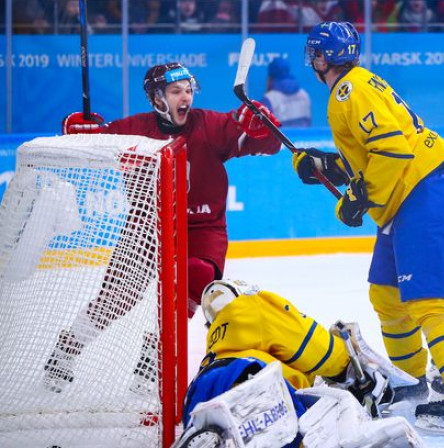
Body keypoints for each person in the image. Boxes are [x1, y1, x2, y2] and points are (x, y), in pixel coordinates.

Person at [292, 21, 444, 434]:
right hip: (406, 197)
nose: (314, 62)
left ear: (324, 58)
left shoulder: (350, 90)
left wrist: (361, 197)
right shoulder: (357, 85)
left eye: (316, 54)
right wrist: (324, 165)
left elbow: (392, 151)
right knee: (386, 293)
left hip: (423, 195)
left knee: (428, 301)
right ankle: (413, 380)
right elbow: (374, 154)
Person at [46, 62, 282, 393]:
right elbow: (88, 144)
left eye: (188, 90)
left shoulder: (209, 124)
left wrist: (261, 125)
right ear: (156, 97)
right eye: (175, 91)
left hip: (202, 227)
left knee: (197, 277)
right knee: (117, 297)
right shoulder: (133, 129)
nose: (185, 97)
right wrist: (77, 132)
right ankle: (66, 349)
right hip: (147, 227)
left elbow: (269, 145)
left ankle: (151, 357)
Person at [176, 279, 423, 448]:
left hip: (198, 396)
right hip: (251, 379)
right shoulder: (249, 306)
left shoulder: (216, 345)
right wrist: (347, 366)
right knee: (336, 406)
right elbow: (307, 342)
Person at [264, 57, 312, 128]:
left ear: (270, 76)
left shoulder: (269, 100)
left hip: (281, 139)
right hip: (304, 139)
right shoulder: (304, 95)